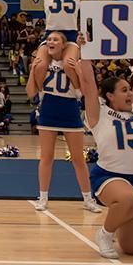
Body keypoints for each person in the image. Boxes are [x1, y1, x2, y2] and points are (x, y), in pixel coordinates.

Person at [79, 51, 133, 259]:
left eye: (129, 90)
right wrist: (86, 53)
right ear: (110, 96)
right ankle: (104, 234)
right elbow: (89, 84)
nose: (130, 94)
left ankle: (120, 217)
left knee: (132, 248)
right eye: (124, 90)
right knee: (129, 198)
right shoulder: (98, 115)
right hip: (109, 176)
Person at [27, 32, 102, 213]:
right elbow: (31, 93)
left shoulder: (71, 63)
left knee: (78, 159)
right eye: (49, 39)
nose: (51, 42)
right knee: (46, 158)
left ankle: (88, 199)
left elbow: (84, 92)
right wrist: (32, 70)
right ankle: (43, 197)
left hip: (70, 111)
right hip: (48, 112)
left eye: (56, 40)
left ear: (63, 45)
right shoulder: (42, 65)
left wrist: (77, 69)